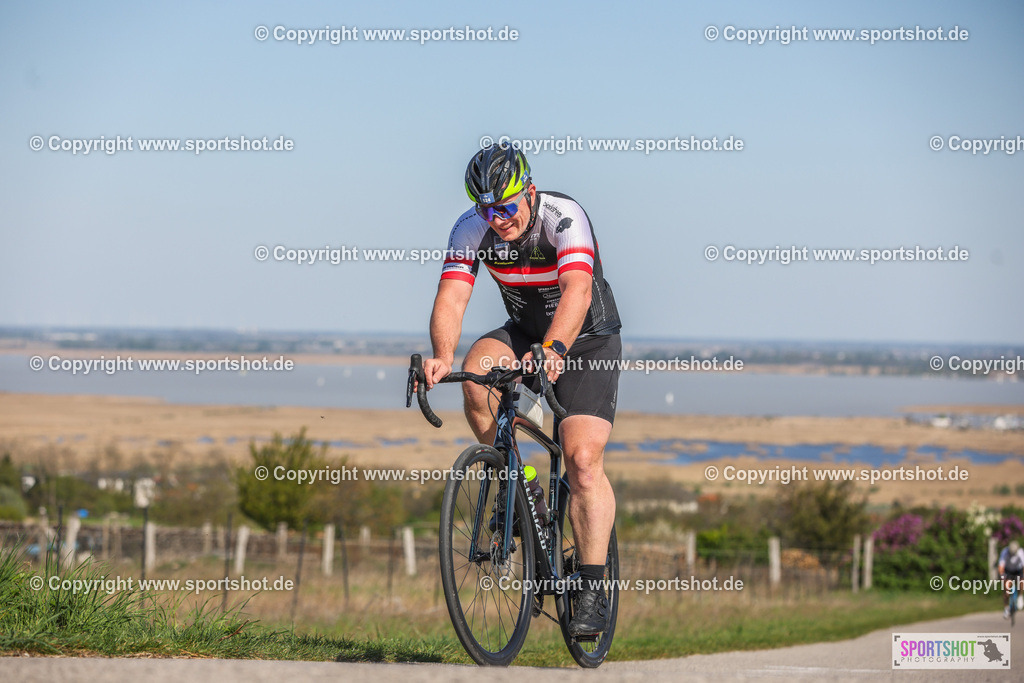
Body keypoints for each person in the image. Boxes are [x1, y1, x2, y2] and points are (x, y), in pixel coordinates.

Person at [422, 143, 622, 636]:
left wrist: (555, 347)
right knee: (474, 376)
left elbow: (576, 288)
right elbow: (452, 293)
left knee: (580, 459)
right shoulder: (471, 229)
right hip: (526, 331)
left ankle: (592, 588)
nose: (498, 218)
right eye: (487, 209)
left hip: (586, 337)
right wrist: (442, 355)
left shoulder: (563, 216)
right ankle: (519, 481)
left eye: (507, 207)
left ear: (528, 191)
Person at [998, 539, 1024, 618]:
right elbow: (1001, 567)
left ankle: (1020, 596)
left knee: (1022, 582)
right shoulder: (1004, 552)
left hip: (1018, 570)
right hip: (1008, 571)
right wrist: (1003, 577)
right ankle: (1006, 608)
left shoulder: (1021, 552)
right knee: (1006, 589)